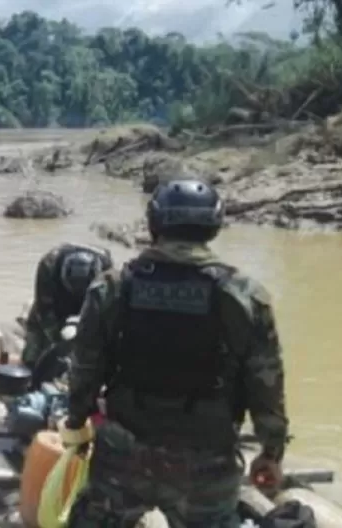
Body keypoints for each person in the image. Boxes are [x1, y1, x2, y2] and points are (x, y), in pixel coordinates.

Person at [59, 178, 289, 527]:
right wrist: (270, 453)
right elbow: (266, 386)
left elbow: (86, 368)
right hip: (207, 456)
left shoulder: (113, 287)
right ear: (214, 224)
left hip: (124, 450)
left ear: (154, 223)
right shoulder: (244, 295)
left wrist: (77, 421)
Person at [21, 243, 113, 386]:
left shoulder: (106, 268)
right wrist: (58, 341)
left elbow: (107, 309)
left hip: (90, 304)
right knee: (32, 355)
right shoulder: (48, 265)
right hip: (56, 304)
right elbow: (44, 310)